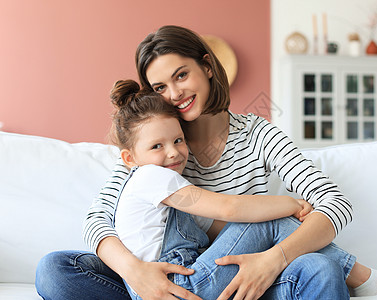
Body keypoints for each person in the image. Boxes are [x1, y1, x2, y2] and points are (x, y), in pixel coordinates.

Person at [36, 25, 377, 300]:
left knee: (319, 269)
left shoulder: (257, 135)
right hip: (164, 277)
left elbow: (336, 204)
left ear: (208, 67)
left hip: (244, 276)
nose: (175, 94)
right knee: (54, 270)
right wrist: (138, 274)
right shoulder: (150, 151)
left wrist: (273, 259)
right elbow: (96, 220)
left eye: (181, 75)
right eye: (160, 88)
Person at [110, 79, 345, 299]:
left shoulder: (169, 195)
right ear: (129, 158)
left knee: (316, 265)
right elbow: (229, 208)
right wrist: (291, 204)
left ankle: (342, 268)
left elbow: (222, 228)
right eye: (157, 146)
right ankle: (354, 271)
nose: (172, 152)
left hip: (182, 282)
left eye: (178, 140)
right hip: (176, 285)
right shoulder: (152, 176)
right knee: (265, 222)